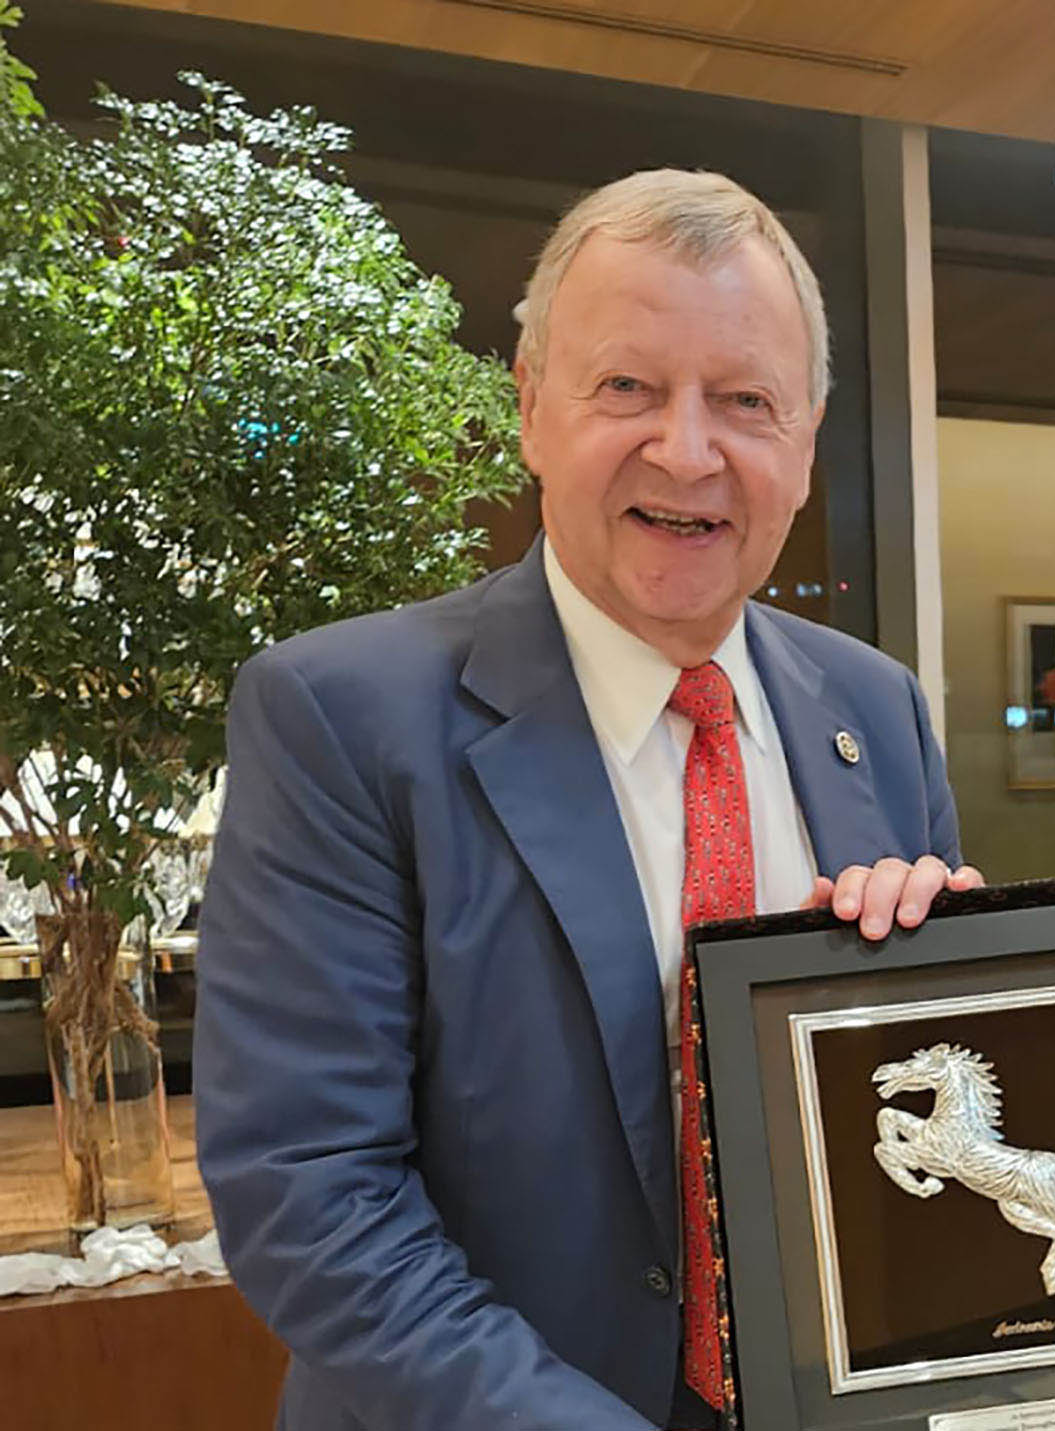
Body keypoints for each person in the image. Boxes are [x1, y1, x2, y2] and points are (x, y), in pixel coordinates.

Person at [194, 169, 981, 1430]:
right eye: (627, 387)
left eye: (744, 400)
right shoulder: (338, 717)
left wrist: (961, 980)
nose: (687, 448)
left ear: (805, 439)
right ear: (530, 411)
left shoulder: (873, 710)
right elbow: (309, 1196)